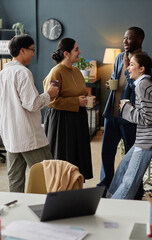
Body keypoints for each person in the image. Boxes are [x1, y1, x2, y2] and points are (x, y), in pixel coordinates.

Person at [0, 34, 59, 192]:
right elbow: (33, 104)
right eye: (32, 50)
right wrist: (49, 93)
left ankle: (17, 210)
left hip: (11, 137)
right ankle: (51, 209)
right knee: (48, 176)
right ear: (22, 50)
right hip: (29, 136)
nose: (33, 53)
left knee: (15, 181)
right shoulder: (22, 73)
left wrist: (4, 131)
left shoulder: (0, 75)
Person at [106, 52, 152, 199]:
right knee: (123, 167)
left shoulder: (142, 85)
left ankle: (113, 209)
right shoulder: (145, 83)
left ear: (141, 69)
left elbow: (150, 117)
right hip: (148, 137)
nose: (128, 69)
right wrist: (130, 106)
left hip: (150, 140)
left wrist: (126, 109)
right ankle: (109, 199)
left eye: (132, 65)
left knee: (129, 180)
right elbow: (150, 111)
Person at [98, 27, 146, 198]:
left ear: (139, 40)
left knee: (133, 158)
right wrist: (111, 82)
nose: (124, 41)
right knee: (106, 154)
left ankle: (136, 191)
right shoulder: (119, 57)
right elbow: (115, 78)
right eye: (124, 38)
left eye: (129, 39)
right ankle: (105, 189)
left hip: (130, 118)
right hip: (112, 114)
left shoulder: (145, 61)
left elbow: (141, 89)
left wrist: (127, 69)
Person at [43, 38, 93, 180]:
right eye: (76, 49)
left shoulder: (77, 71)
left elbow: (79, 92)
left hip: (78, 118)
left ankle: (75, 183)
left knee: (78, 155)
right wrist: (76, 102)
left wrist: (85, 100)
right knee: (64, 156)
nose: (79, 52)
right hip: (61, 120)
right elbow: (52, 101)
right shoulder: (56, 72)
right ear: (66, 53)